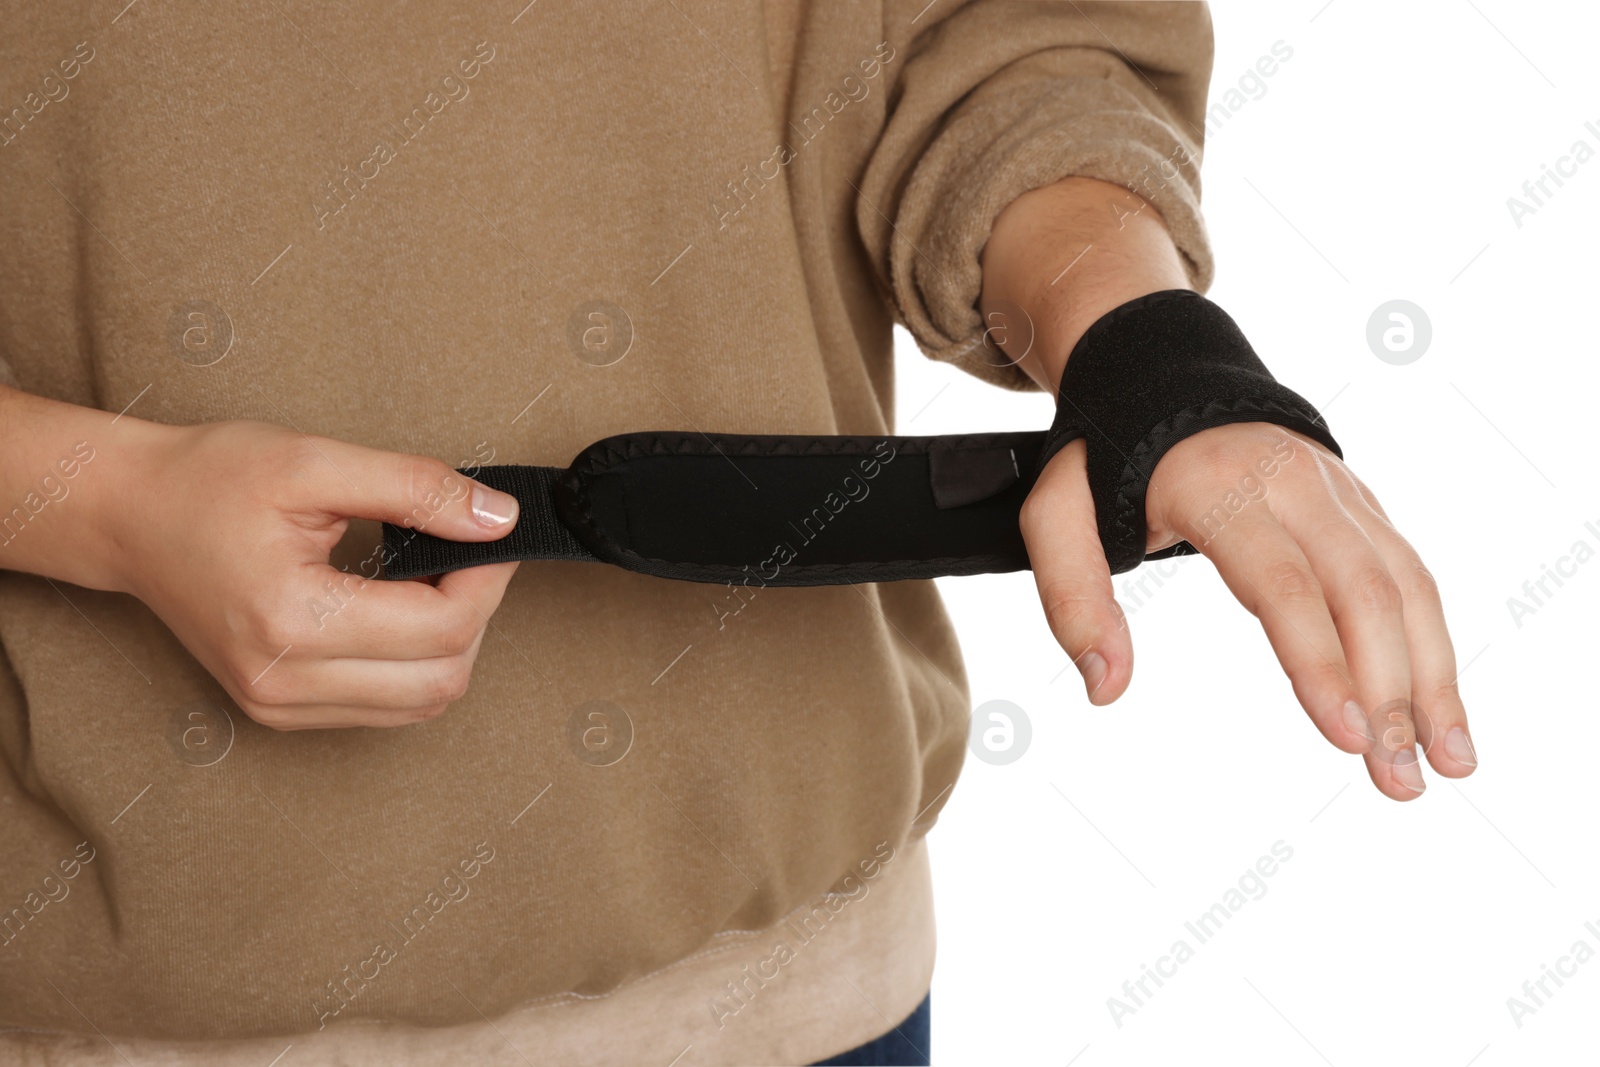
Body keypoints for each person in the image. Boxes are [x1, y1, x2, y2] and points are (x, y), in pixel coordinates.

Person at [0, 2, 1475, 1063]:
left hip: (791, 1001)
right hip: (104, 1007)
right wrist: (104, 505)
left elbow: (1001, 38)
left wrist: (1153, 351)